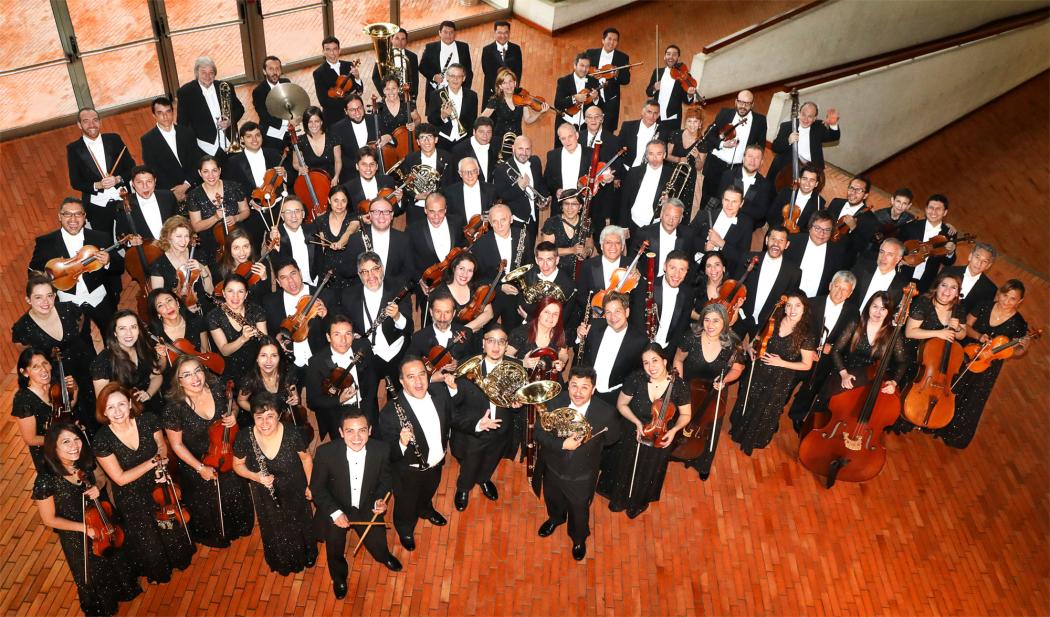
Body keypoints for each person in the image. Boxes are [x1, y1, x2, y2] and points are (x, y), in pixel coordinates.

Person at [33, 422, 141, 615]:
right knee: (93, 573)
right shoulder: (45, 480)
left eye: (76, 439)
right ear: (53, 447)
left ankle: (123, 591)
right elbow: (49, 520)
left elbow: (100, 481)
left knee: (114, 559)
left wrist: (96, 488)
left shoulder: (82, 464)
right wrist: (84, 528)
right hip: (77, 535)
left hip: (98, 523)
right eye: (66, 441)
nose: (74, 445)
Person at [93, 384, 195, 584]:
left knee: (170, 527)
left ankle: (178, 559)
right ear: (104, 411)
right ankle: (158, 572)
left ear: (130, 403)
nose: (118, 411)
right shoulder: (101, 440)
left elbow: (161, 446)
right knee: (149, 540)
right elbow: (120, 478)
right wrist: (153, 463)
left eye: (121, 404)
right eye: (111, 407)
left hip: (158, 484)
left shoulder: (148, 420)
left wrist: (161, 464)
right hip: (131, 495)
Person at [163, 355, 254, 547]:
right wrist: (200, 468)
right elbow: (177, 445)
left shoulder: (218, 388)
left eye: (197, 371)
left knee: (235, 490)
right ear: (178, 382)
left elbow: (235, 406)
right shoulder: (174, 408)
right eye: (186, 375)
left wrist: (234, 416)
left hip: (225, 452)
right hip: (196, 461)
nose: (195, 378)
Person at [311, 410, 402, 601]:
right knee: (334, 547)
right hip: (336, 506)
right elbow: (317, 489)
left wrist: (380, 500)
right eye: (350, 431)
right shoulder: (325, 453)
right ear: (341, 432)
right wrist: (336, 514)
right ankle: (339, 577)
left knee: (378, 541)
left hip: (367, 504)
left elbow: (385, 481)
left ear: (369, 430)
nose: (357, 437)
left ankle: (383, 556)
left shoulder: (382, 450)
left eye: (362, 430)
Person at [533, 366, 621, 561]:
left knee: (579, 511)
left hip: (582, 475)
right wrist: (562, 444)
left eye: (584, 387)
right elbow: (538, 433)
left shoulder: (606, 413)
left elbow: (611, 438)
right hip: (553, 468)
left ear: (593, 389)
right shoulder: (554, 402)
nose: (578, 392)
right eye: (574, 386)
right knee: (552, 500)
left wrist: (588, 452)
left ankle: (578, 539)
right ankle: (555, 519)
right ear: (568, 385)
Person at [377, 357, 465, 551]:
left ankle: (425, 509)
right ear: (401, 381)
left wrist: (477, 424)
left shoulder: (439, 394)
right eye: (411, 377)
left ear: (428, 375)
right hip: (408, 471)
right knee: (406, 504)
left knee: (429, 490)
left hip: (436, 462)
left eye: (421, 375)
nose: (418, 382)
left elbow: (454, 418)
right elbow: (385, 454)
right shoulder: (389, 414)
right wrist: (401, 442)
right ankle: (405, 528)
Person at [936, 279, 1029, 448]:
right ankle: (935, 422)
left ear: (1020, 301)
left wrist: (1019, 348)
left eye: (1013, 299)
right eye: (1004, 295)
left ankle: (954, 435)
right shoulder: (985, 305)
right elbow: (966, 327)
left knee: (971, 400)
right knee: (951, 387)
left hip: (988, 365)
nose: (1006, 301)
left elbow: (1017, 352)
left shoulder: (1019, 324)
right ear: (999, 293)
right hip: (967, 354)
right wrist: (979, 336)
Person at [232, 393, 318, 575]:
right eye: (259, 417)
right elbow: (237, 465)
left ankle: (308, 553)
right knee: (274, 525)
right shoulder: (244, 437)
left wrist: (311, 485)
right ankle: (282, 559)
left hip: (295, 487)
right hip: (265, 491)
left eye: (269, 416)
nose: (264, 423)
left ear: (279, 415)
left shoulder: (293, 433)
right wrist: (255, 477)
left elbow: (306, 459)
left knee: (300, 521)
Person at [28, 198, 123, 350]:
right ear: (60, 216)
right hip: (68, 303)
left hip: (100, 298)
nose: (73, 219)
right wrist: (45, 277)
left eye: (78, 214)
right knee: (82, 347)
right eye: (67, 214)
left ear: (85, 217)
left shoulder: (100, 237)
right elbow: (32, 272)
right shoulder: (45, 242)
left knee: (114, 341)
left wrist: (109, 261)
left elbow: (119, 267)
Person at [610, 343, 692, 517]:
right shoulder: (636, 378)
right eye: (646, 363)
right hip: (634, 428)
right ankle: (620, 497)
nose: (651, 366)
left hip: (661, 434)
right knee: (627, 463)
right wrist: (637, 423)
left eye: (655, 360)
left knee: (649, 468)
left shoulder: (679, 386)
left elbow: (686, 415)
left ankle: (638, 502)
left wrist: (674, 430)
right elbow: (621, 404)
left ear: (664, 360)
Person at [729, 292, 816, 455]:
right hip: (758, 370)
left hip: (780, 378)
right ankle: (740, 430)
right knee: (749, 399)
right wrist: (750, 350)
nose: (792, 310)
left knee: (765, 407)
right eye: (789, 305)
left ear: (804, 308)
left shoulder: (806, 335)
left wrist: (781, 362)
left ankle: (754, 438)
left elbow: (807, 365)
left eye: (798, 305)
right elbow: (755, 341)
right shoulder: (773, 321)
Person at [14, 277, 97, 433]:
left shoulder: (67, 309)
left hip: (85, 362)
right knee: (76, 414)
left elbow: (81, 321)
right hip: (59, 376)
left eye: (49, 295)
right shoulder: (23, 327)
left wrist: (73, 342)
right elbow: (29, 356)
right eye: (38, 297)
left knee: (98, 403)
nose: (45, 301)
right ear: (28, 299)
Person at [673, 304, 745, 479]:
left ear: (724, 323)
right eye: (706, 320)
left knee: (709, 427)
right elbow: (678, 360)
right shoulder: (691, 337)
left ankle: (702, 463)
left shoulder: (733, 343)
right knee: (679, 419)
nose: (710, 325)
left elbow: (738, 369)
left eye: (716, 320)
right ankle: (674, 451)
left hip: (714, 391)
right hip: (689, 386)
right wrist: (681, 384)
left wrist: (724, 380)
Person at [450, 324, 515, 511]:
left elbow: (516, 401)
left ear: (506, 345)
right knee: (470, 463)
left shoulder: (515, 367)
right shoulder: (467, 366)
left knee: (492, 459)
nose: (496, 346)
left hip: (501, 428)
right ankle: (464, 487)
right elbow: (455, 405)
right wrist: (453, 390)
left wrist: (516, 404)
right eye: (491, 341)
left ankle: (484, 478)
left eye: (501, 341)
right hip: (475, 429)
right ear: (483, 343)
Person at [787, 271, 860, 433]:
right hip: (801, 353)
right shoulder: (811, 303)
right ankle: (775, 409)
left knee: (810, 389)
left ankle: (797, 415)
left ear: (850, 294)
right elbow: (798, 328)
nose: (839, 292)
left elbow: (850, 340)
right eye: (836, 286)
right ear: (829, 286)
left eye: (844, 290)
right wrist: (808, 349)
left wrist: (833, 348)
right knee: (788, 383)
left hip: (826, 359)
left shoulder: (853, 312)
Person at [818, 291, 907, 414]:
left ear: (888, 312)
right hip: (846, 372)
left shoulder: (893, 334)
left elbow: (902, 362)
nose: (878, 312)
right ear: (868, 306)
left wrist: (894, 381)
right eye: (875, 306)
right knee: (828, 403)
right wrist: (843, 374)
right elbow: (836, 351)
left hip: (873, 380)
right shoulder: (855, 324)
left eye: (883, 309)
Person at [341, 251, 414, 387]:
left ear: (382, 269)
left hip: (396, 353)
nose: (371, 276)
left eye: (375, 269)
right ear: (359, 275)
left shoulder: (399, 288)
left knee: (397, 398)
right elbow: (345, 323)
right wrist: (351, 333)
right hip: (367, 355)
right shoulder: (348, 295)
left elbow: (410, 328)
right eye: (364, 272)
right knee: (368, 401)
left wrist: (397, 316)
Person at [66, 107, 136, 239]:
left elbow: (132, 167)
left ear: (100, 122)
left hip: (123, 199)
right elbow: (75, 182)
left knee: (133, 237)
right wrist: (97, 185)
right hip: (97, 205)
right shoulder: (73, 149)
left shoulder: (114, 139)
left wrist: (117, 179)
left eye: (95, 120)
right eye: (86, 121)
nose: (91, 124)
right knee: (106, 244)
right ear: (79, 125)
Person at [305, 315, 378, 439]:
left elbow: (372, 379)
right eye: (337, 334)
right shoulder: (316, 362)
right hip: (337, 414)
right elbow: (312, 401)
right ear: (328, 337)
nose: (343, 340)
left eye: (348, 334)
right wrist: (339, 400)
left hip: (364, 407)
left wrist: (369, 410)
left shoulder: (363, 347)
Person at [263, 258, 332, 378]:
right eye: (284, 278)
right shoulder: (270, 302)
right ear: (278, 282)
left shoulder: (323, 294)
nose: (291, 281)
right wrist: (276, 339)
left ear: (300, 273)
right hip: (289, 364)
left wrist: (326, 316)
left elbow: (335, 330)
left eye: (293, 274)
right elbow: (269, 333)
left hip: (321, 360)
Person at [699, 90, 767, 211]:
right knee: (707, 197)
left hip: (737, 169)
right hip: (716, 163)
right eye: (740, 102)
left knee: (728, 200)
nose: (743, 106)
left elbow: (760, 147)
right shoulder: (724, 113)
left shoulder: (760, 121)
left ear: (752, 104)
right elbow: (708, 135)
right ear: (736, 102)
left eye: (747, 103)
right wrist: (722, 144)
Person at [13, 348, 77, 473]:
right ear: (25, 373)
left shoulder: (55, 382)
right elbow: (30, 439)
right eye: (35, 367)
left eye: (45, 363)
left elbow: (67, 409)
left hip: (70, 444)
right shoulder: (23, 400)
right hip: (49, 454)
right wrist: (60, 440)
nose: (43, 369)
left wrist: (75, 388)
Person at [89, 310, 163, 416]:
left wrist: (149, 393)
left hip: (153, 404)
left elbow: (156, 376)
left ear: (139, 329)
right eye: (122, 328)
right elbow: (103, 402)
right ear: (114, 332)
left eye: (133, 327)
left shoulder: (144, 346)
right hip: (126, 414)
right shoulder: (102, 362)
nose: (129, 333)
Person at [224, 122, 287, 245]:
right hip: (251, 214)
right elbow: (232, 188)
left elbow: (292, 174)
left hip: (276, 210)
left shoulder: (273, 154)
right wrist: (248, 200)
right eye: (249, 136)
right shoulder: (233, 161)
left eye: (257, 135)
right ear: (242, 139)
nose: (254, 139)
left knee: (280, 247)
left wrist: (284, 173)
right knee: (254, 250)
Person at [185, 155, 251, 265]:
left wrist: (236, 217)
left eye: (214, 170)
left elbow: (246, 211)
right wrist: (215, 217)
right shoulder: (194, 195)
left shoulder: (234, 187)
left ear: (219, 170)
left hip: (238, 240)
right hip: (211, 247)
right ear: (200, 173)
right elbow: (196, 226)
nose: (211, 175)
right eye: (206, 171)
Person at [176, 56, 244, 160]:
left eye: (211, 72)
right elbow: (182, 123)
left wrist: (230, 121)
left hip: (230, 140)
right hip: (205, 146)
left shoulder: (225, 86)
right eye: (203, 72)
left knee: (236, 170)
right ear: (196, 73)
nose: (208, 76)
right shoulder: (186, 92)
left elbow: (240, 109)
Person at [148, 215, 215, 316]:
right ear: (168, 237)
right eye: (178, 236)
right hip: (177, 313)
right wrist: (183, 309)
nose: (183, 241)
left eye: (186, 236)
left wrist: (202, 269)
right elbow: (158, 301)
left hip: (204, 307)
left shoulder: (197, 254)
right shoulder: (159, 265)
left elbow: (210, 291)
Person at [207, 274, 268, 383]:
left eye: (240, 291)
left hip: (256, 368)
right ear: (223, 293)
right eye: (230, 291)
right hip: (229, 371)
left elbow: (265, 343)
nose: (235, 297)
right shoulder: (214, 316)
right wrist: (242, 339)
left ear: (246, 294)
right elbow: (224, 351)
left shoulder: (256, 310)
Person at [630, 250, 696, 349]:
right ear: (665, 266)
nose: (677, 274)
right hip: (641, 348)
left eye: (682, 269)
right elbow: (636, 322)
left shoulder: (688, 294)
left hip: (667, 351)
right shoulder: (646, 287)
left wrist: (668, 355)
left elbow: (681, 329)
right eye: (672, 268)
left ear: (687, 271)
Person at [236, 338, 302, 436]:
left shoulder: (287, 373)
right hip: (263, 425)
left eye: (274, 355)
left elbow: (295, 396)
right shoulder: (250, 379)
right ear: (257, 359)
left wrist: (295, 399)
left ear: (279, 357)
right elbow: (241, 401)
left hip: (286, 421)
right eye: (263, 355)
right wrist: (259, 412)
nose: (269, 361)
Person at [140, 96, 202, 200]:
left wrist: (186, 184)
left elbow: (197, 160)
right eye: (160, 113)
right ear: (154, 115)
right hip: (170, 192)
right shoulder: (147, 140)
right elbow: (153, 170)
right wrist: (174, 192)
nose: (165, 116)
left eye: (168, 111)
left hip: (193, 185)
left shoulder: (187, 132)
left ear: (173, 112)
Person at [147, 289, 211, 386]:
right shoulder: (154, 334)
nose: (168, 307)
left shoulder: (196, 320)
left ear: (177, 302)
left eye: (169, 300)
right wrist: (163, 357)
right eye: (160, 305)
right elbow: (160, 370)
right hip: (174, 383)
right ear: (157, 313)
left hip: (199, 375)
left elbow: (205, 351)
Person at [767, 101, 842, 182]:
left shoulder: (819, 126)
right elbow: (775, 147)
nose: (805, 119)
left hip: (811, 168)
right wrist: (788, 141)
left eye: (810, 116)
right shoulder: (786, 126)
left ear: (814, 118)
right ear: (799, 113)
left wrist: (833, 124)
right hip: (788, 167)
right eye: (803, 114)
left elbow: (834, 137)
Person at [409, 193, 465, 298]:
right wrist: (420, 280)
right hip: (429, 286)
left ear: (446, 209)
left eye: (440, 211)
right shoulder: (413, 230)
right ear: (425, 210)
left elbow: (463, 245)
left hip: (456, 283)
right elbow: (408, 260)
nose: (436, 217)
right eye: (432, 211)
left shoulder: (457, 222)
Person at [899, 194, 959, 292]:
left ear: (945, 212)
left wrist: (950, 252)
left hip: (925, 283)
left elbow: (948, 262)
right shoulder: (912, 226)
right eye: (931, 207)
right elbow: (898, 246)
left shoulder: (948, 234)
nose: (934, 212)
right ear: (926, 209)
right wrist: (899, 260)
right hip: (902, 275)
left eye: (938, 209)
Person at [689, 185, 753, 276]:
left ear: (741, 203)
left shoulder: (746, 224)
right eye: (726, 200)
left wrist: (722, 243)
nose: (729, 205)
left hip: (723, 275)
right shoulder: (706, 214)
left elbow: (742, 256)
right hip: (697, 268)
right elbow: (688, 236)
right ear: (722, 200)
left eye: (734, 201)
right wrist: (704, 246)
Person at [784, 211, 848, 298]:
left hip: (815, 303)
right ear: (810, 227)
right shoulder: (792, 241)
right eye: (817, 228)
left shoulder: (837, 252)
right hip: (785, 296)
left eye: (827, 230)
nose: (822, 233)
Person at [312, 186, 363, 297]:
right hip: (327, 275)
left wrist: (340, 242)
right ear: (329, 200)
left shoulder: (354, 218)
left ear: (348, 202)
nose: (339, 205)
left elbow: (349, 231)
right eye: (336, 200)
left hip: (350, 274)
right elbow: (321, 248)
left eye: (343, 201)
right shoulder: (320, 220)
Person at [493, 134, 550, 230]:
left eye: (527, 149)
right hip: (514, 222)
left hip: (533, 220)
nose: (524, 153)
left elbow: (540, 183)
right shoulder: (501, 169)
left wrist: (544, 197)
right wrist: (520, 187)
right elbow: (502, 196)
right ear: (513, 148)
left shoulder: (535, 161)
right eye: (520, 149)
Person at [400, 124, 453, 223]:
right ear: (418, 142)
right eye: (422, 138)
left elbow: (451, 183)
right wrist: (415, 196)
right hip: (417, 208)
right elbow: (404, 183)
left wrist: (435, 196)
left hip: (440, 208)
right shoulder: (410, 159)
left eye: (429, 137)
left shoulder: (448, 157)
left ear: (436, 139)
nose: (426, 141)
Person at [617, 140, 672, 236]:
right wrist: (623, 225)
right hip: (633, 221)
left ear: (664, 155)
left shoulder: (671, 174)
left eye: (659, 154)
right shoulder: (634, 172)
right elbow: (624, 199)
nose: (655, 158)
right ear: (646, 155)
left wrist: (668, 202)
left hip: (656, 224)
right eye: (651, 154)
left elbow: (676, 201)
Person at [632, 198, 696, 277]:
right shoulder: (644, 233)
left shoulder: (687, 235)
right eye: (667, 215)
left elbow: (690, 263)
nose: (671, 220)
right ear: (661, 214)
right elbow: (633, 261)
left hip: (676, 281)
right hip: (648, 281)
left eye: (675, 217)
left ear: (680, 219)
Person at [433, 251, 495, 332]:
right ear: (454, 268)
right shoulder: (440, 292)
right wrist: (476, 325)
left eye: (470, 270)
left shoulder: (477, 288)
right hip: (449, 338)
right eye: (461, 268)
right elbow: (441, 323)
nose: (465, 274)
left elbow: (489, 314)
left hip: (472, 337)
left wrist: (463, 331)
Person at [852, 188, 916, 267]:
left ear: (909, 206)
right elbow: (867, 237)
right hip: (873, 251)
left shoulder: (909, 219)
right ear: (892, 200)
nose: (900, 206)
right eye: (898, 201)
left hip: (892, 256)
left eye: (904, 203)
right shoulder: (878, 215)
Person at [114, 165, 178, 242]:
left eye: (149, 181)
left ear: (155, 181)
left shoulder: (168, 196)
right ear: (133, 184)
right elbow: (120, 236)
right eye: (139, 182)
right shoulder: (123, 206)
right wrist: (130, 241)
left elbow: (178, 222)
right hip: (146, 252)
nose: (145, 186)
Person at [584, 27, 632, 131]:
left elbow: (626, 80)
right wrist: (591, 72)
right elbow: (582, 70)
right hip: (592, 97)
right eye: (609, 39)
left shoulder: (622, 57)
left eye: (615, 40)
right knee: (589, 130)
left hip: (611, 99)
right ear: (603, 40)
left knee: (608, 131)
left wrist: (617, 74)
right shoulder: (590, 53)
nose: (612, 42)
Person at [507, 297, 570, 373]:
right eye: (547, 312)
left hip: (550, 379)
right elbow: (505, 357)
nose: (551, 317)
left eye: (555, 314)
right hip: (524, 379)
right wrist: (522, 363)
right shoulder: (521, 332)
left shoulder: (559, 332)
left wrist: (561, 362)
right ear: (539, 313)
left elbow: (563, 354)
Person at [540, 190, 594, 279]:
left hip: (581, 271)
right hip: (556, 272)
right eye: (566, 204)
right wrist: (572, 250)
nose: (570, 208)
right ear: (562, 206)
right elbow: (546, 251)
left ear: (580, 206)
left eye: (574, 204)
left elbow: (590, 245)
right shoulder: (552, 222)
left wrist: (586, 252)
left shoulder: (586, 223)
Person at [480, 69, 546, 141]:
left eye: (510, 81)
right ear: (500, 86)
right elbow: (481, 119)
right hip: (499, 139)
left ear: (514, 83)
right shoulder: (496, 100)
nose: (508, 85)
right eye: (504, 83)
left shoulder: (522, 98)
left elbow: (528, 120)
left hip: (517, 140)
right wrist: (488, 132)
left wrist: (539, 112)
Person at [270, 196, 322, 287]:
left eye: (297, 211)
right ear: (282, 216)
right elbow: (277, 267)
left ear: (303, 214)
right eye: (288, 212)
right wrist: (276, 245)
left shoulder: (312, 229)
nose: (293, 215)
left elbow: (320, 258)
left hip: (314, 283)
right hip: (291, 287)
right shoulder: (275, 235)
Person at [419, 20, 474, 107]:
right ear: (439, 33)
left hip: (459, 91)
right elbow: (422, 67)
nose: (448, 35)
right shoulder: (430, 47)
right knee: (436, 118)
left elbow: (468, 71)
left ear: (455, 33)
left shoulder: (463, 47)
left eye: (451, 32)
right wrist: (434, 76)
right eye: (445, 32)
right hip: (437, 92)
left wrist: (465, 89)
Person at [663, 105, 704, 218]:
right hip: (671, 172)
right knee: (666, 200)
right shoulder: (675, 134)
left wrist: (697, 157)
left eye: (695, 122)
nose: (692, 124)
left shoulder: (702, 142)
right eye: (689, 121)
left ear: (700, 124)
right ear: (685, 122)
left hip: (688, 179)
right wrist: (679, 159)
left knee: (680, 208)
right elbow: (666, 155)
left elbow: (700, 167)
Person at [717, 143, 773, 227]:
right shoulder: (728, 175)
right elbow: (720, 198)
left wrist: (737, 205)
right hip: (723, 218)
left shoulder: (765, 185)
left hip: (745, 226)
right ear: (743, 158)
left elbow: (760, 213)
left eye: (757, 158)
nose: (752, 161)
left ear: (761, 162)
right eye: (750, 156)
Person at [313, 36, 364, 127]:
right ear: (323, 52)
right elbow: (323, 101)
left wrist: (357, 78)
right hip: (333, 118)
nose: (332, 53)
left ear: (339, 50)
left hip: (353, 115)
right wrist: (347, 104)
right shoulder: (318, 73)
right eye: (328, 49)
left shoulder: (349, 66)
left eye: (335, 49)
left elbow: (359, 91)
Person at [645, 44, 701, 126]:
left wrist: (689, 94)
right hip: (655, 116)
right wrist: (654, 87)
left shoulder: (685, 76)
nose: (671, 57)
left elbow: (687, 101)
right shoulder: (657, 72)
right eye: (668, 54)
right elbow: (648, 92)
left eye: (674, 54)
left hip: (672, 118)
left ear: (678, 58)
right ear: (664, 57)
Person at [426, 63, 477, 151]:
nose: (455, 79)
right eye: (452, 76)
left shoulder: (472, 96)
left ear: (464, 78)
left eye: (459, 76)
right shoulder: (436, 95)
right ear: (447, 77)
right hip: (442, 140)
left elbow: (472, 120)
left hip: (464, 140)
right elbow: (431, 119)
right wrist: (443, 116)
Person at [765, 164, 826, 238]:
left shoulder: (819, 203)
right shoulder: (785, 192)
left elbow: (813, 229)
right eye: (804, 179)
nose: (807, 183)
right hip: (777, 233)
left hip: (797, 239)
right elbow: (771, 215)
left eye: (812, 180)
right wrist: (781, 228)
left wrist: (797, 233)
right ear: (799, 180)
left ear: (816, 184)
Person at [851, 238, 911, 310]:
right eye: (882, 252)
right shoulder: (861, 269)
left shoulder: (903, 285)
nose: (883, 258)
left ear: (898, 259)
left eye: (889, 254)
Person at [553, 54, 601, 144]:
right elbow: (558, 104)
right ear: (575, 66)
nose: (584, 69)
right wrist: (574, 98)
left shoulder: (593, 81)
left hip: (584, 126)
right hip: (566, 123)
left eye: (587, 66)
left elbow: (601, 106)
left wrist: (596, 98)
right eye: (582, 65)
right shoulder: (563, 81)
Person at [213, 227, 270, 299]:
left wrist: (264, 279)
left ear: (251, 247)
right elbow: (217, 297)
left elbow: (267, 297)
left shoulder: (260, 265)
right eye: (236, 248)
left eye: (246, 246)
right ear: (228, 249)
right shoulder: (219, 269)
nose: (242, 252)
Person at [292, 106, 342, 187]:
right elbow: (295, 163)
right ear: (306, 124)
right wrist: (300, 168)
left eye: (316, 121)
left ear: (321, 122)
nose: (313, 125)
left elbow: (338, 161)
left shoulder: (333, 138)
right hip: (311, 183)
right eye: (310, 122)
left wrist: (336, 177)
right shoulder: (300, 141)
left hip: (331, 181)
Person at [942, 242, 998, 313]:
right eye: (977, 257)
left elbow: (979, 315)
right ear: (970, 256)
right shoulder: (948, 271)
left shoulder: (990, 289)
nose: (979, 263)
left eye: (984, 261)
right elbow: (931, 294)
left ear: (988, 266)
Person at [251, 55, 292, 150]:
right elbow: (264, 116)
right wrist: (287, 121)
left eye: (277, 68)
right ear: (264, 71)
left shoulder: (286, 82)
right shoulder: (258, 91)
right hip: (271, 133)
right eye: (271, 69)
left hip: (289, 131)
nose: (275, 72)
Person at [329, 95, 374, 180]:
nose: (357, 112)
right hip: (352, 176)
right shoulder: (337, 129)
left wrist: (388, 137)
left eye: (359, 108)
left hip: (376, 172)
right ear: (346, 111)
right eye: (352, 110)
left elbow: (392, 141)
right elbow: (336, 157)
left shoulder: (375, 119)